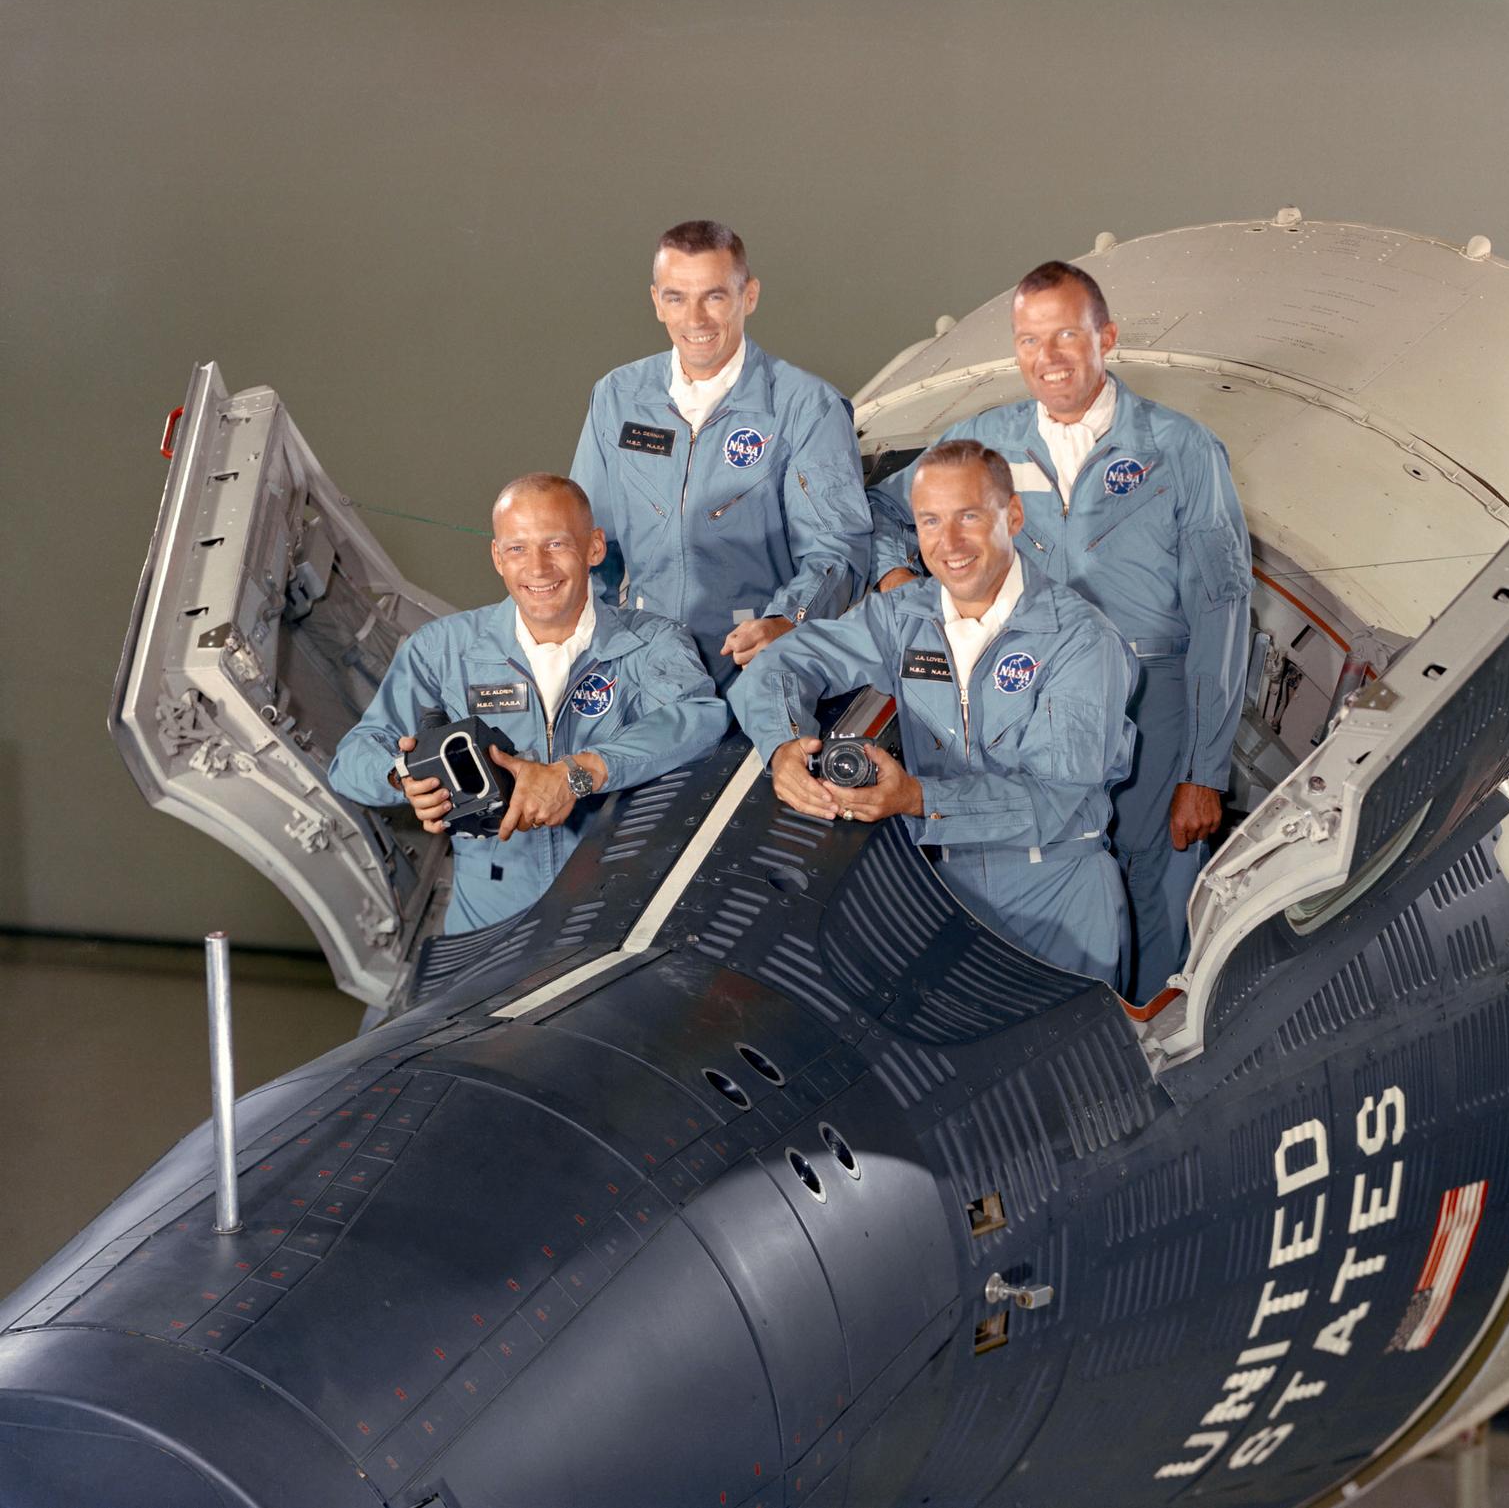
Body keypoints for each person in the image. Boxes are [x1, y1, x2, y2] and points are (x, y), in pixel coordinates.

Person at [869, 261, 1251, 999]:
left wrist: (1204, 771)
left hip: (1153, 690)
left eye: (1067, 336)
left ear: (1106, 338)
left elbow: (1222, 608)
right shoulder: (986, 441)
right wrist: (898, 581)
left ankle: (1141, 1036)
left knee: (1155, 879)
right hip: (1024, 687)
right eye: (1029, 341)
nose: (1048, 358)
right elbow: (883, 512)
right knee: (1029, 860)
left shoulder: (1182, 449)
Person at [732, 441, 1137, 985]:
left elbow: (1051, 798)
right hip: (939, 894)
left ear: (1013, 516)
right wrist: (784, 745)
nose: (949, 544)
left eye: (969, 517)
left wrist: (918, 799)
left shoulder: (1081, 641)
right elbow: (780, 662)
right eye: (930, 521)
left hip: (1057, 895)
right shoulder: (902, 616)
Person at [330, 474, 730, 934]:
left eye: (556, 544)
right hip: (488, 918)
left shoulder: (652, 641)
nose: (538, 568)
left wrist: (579, 773)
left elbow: (698, 718)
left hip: (616, 909)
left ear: (594, 548)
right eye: (517, 548)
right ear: (497, 557)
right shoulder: (441, 649)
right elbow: (351, 759)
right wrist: (400, 777)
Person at [568, 219, 871, 688]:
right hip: (644, 667)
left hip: (751, 664)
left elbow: (836, 547)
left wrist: (787, 620)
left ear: (749, 296)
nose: (696, 320)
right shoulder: (618, 398)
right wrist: (590, 652)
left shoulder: (805, 407)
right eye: (676, 298)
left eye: (714, 296)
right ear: (656, 302)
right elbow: (588, 547)